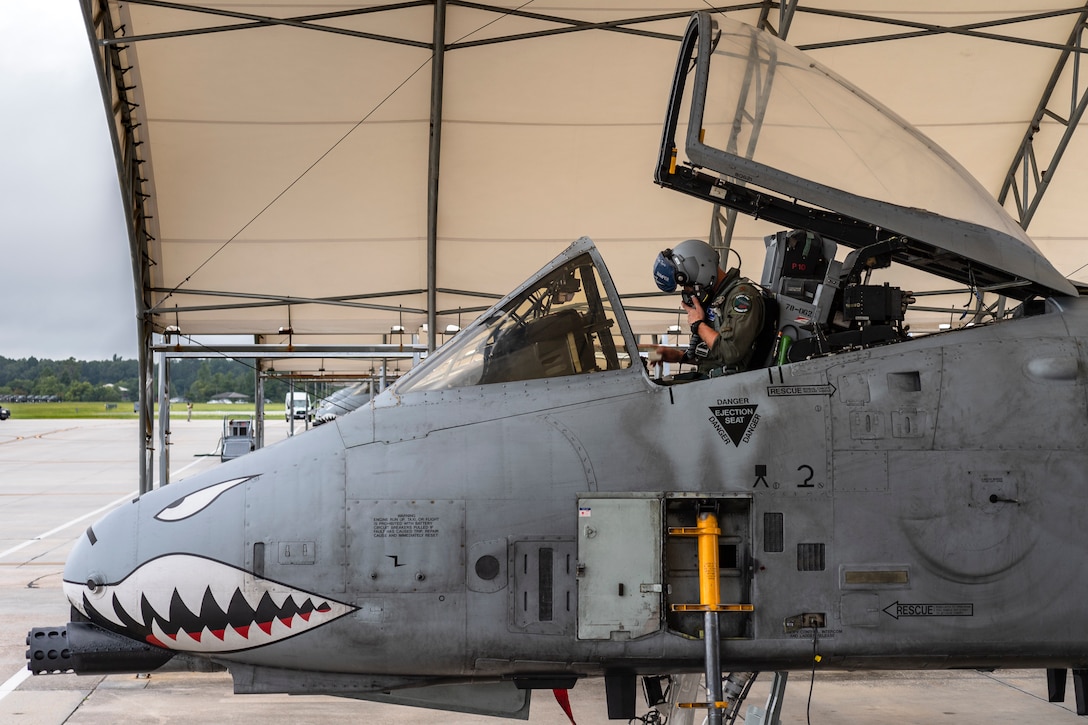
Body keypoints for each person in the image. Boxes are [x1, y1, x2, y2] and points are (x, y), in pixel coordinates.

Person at [652, 239, 765, 376]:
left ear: (700, 268)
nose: (688, 291)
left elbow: (730, 352)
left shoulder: (741, 297)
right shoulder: (718, 299)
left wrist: (698, 325)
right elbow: (714, 357)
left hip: (732, 389)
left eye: (686, 284)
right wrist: (679, 357)